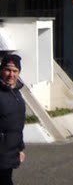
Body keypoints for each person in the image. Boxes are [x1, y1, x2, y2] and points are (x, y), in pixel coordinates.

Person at [0, 53, 25, 184]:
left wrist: (20, 148)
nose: (11, 74)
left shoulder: (16, 92)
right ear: (1, 70)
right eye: (7, 70)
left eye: (15, 71)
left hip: (10, 152)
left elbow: (17, 124)